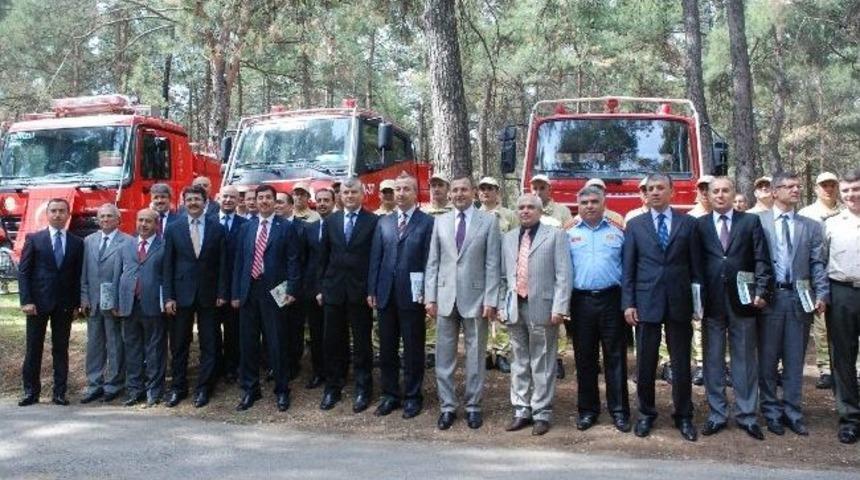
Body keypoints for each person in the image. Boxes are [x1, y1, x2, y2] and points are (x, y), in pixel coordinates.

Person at [622, 173, 700, 442]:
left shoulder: (688, 224)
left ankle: (684, 415)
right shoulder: (635, 225)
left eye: (660, 188)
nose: (655, 192)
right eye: (650, 189)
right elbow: (628, 269)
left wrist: (697, 304)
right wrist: (628, 303)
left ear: (672, 192)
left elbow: (696, 270)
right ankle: (646, 414)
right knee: (645, 362)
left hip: (680, 303)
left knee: (680, 363)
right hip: (646, 302)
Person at [696, 177, 771, 440]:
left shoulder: (750, 221)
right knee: (713, 361)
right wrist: (696, 300)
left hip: (745, 302)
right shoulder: (700, 225)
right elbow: (695, 266)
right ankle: (717, 414)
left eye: (725, 190)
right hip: (712, 304)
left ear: (733, 193)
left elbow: (761, 258)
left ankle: (747, 415)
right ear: (709, 195)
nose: (720, 195)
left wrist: (762, 290)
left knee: (745, 362)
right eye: (715, 191)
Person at [425, 176, 501, 430]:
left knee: (476, 356)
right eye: (455, 190)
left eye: (464, 190)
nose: (459, 194)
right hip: (445, 298)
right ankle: (447, 407)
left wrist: (492, 299)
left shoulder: (488, 221)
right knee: (444, 357)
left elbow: (493, 263)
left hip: (477, 298)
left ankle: (473, 406)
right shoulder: (441, 222)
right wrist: (430, 297)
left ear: (473, 193)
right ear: (450, 194)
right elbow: (433, 263)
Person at [757, 171, 827, 437]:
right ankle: (771, 413)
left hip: (799, 300)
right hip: (769, 300)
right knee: (767, 359)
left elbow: (817, 264)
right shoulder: (757, 222)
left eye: (798, 186)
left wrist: (822, 294)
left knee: (795, 360)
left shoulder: (810, 226)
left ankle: (793, 413)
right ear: (775, 191)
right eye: (789, 186)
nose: (796, 190)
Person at [499, 193, 571, 436]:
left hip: (543, 306)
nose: (525, 211)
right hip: (514, 306)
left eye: (531, 207)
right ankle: (521, 409)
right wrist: (501, 305)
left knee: (542, 360)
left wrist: (560, 307)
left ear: (540, 211)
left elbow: (563, 275)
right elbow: (502, 276)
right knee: (518, 360)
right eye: (521, 207)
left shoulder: (555, 236)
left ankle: (541, 412)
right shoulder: (508, 239)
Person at [367, 174, 434, 419]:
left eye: (406, 189)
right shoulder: (383, 223)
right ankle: (390, 395)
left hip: (413, 295)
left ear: (416, 193)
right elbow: (376, 258)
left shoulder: (427, 223)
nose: (401, 193)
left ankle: (413, 396)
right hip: (385, 293)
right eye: (397, 189)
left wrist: (428, 293)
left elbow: (430, 261)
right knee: (387, 348)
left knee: (414, 349)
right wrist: (372, 289)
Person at [232, 185, 301, 412]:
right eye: (259, 197)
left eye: (268, 198)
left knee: (277, 342)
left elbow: (293, 260)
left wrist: (291, 289)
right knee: (248, 343)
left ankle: (282, 390)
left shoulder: (287, 227)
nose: (263, 201)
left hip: (277, 291)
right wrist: (235, 293)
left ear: (274, 201)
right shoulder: (246, 227)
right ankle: (251, 389)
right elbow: (239, 263)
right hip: (248, 290)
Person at [567, 186, 630, 433]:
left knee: (615, 358)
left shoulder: (618, 232)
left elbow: (627, 269)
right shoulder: (568, 234)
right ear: (578, 206)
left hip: (612, 300)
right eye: (584, 203)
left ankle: (619, 411)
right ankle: (588, 410)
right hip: (581, 302)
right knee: (585, 359)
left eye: (594, 201)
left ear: (604, 204)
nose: (590, 206)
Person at [162, 184, 228, 408]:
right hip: (181, 296)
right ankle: (178, 388)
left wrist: (221, 292)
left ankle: (204, 388)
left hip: (210, 296)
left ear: (205, 201)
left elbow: (222, 265)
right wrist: (168, 296)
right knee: (179, 344)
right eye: (188, 200)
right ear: (183, 202)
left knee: (210, 344)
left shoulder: (217, 228)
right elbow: (167, 265)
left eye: (197, 199)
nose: (193, 203)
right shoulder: (173, 228)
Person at [318, 178, 380, 413]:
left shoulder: (373, 221)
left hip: (360, 292)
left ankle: (364, 389)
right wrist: (321, 288)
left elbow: (375, 259)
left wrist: (372, 289)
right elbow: (323, 258)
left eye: (354, 192)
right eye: (345, 192)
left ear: (362, 194)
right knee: (332, 342)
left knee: (362, 344)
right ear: (340, 196)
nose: (350, 196)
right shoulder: (331, 221)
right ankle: (332, 387)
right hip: (333, 290)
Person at [18, 198, 84, 407]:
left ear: (68, 214)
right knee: (33, 349)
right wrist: (26, 300)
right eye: (53, 211)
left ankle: (59, 393)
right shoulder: (34, 239)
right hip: (37, 303)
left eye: (61, 211)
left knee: (61, 349)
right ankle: (30, 392)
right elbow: (24, 272)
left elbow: (77, 275)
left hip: (64, 304)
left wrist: (76, 304)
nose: (57, 214)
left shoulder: (76, 242)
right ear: (47, 214)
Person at [79, 203, 134, 404]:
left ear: (118, 219)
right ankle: (94, 384)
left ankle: (114, 384)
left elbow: (128, 275)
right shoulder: (88, 241)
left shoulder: (128, 241)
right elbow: (84, 272)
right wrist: (84, 297)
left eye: (109, 216)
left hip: (114, 304)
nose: (105, 220)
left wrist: (121, 301)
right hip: (93, 301)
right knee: (94, 345)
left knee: (115, 343)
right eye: (101, 216)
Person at [823, 168, 860, 444]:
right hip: (842, 293)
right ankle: (849, 418)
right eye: (846, 190)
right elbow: (821, 261)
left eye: (856, 189)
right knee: (843, 358)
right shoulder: (832, 224)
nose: (851, 195)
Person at [116, 209, 166, 407]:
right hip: (129, 304)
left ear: (156, 224)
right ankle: (134, 390)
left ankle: (154, 390)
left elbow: (167, 275)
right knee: (132, 349)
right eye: (140, 220)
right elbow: (117, 273)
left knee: (154, 350)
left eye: (148, 221)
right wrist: (116, 302)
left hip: (153, 304)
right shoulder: (127, 245)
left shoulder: (164, 245)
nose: (143, 224)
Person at [798, 171, 842, 389]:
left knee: (845, 326)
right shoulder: (806, 214)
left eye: (832, 184)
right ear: (816, 188)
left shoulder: (847, 211)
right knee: (821, 325)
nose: (828, 189)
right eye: (824, 185)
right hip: (816, 274)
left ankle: (851, 367)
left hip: (840, 275)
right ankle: (825, 368)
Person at [529, 173, 573, 379]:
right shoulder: (524, 210)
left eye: (541, 188)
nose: (537, 192)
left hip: (554, 269)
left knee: (556, 318)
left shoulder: (562, 211)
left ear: (549, 189)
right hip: (533, 271)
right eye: (534, 188)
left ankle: (557, 359)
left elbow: (568, 238)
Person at [478, 176, 518, 373]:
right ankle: (485, 354)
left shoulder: (509, 215)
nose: (486, 192)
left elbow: (516, 242)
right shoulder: (474, 215)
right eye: (482, 188)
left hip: (502, 270)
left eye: (490, 188)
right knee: (481, 313)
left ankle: (502, 353)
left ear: (497, 192)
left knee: (502, 313)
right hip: (480, 272)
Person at [299, 188, 336, 390]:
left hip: (334, 287)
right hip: (312, 289)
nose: (322, 204)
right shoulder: (310, 228)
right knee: (315, 333)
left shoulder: (339, 225)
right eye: (319, 200)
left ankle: (335, 372)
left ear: (333, 201)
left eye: (326, 200)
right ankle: (318, 371)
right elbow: (304, 260)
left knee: (334, 333)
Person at [421, 172, 454, 369]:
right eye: (433, 185)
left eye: (440, 185)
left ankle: (437, 350)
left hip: (448, 269)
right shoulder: (422, 213)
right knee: (428, 310)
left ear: (447, 189)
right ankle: (428, 347)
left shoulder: (454, 213)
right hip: (426, 267)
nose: (436, 189)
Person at [216, 186, 247, 382]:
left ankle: (232, 367)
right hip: (212, 289)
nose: (228, 200)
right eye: (225, 196)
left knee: (233, 330)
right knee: (211, 331)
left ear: (238, 201)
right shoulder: (208, 222)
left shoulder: (245, 226)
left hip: (235, 286)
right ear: (219, 198)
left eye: (232, 197)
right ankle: (215, 366)